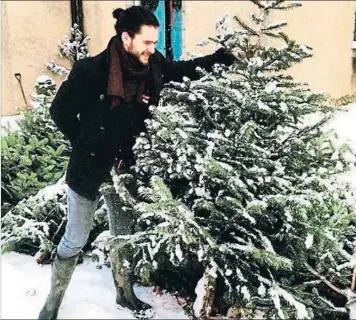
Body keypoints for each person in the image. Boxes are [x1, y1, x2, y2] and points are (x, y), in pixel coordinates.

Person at [38, 5, 235, 320]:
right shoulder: (90, 71)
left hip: (125, 165)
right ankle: (52, 301)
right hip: (89, 168)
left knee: (123, 232)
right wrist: (84, 143)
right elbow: (59, 111)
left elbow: (179, 70)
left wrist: (215, 60)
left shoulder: (153, 64)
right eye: (146, 42)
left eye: (154, 43)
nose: (151, 49)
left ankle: (124, 292)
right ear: (126, 37)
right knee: (76, 236)